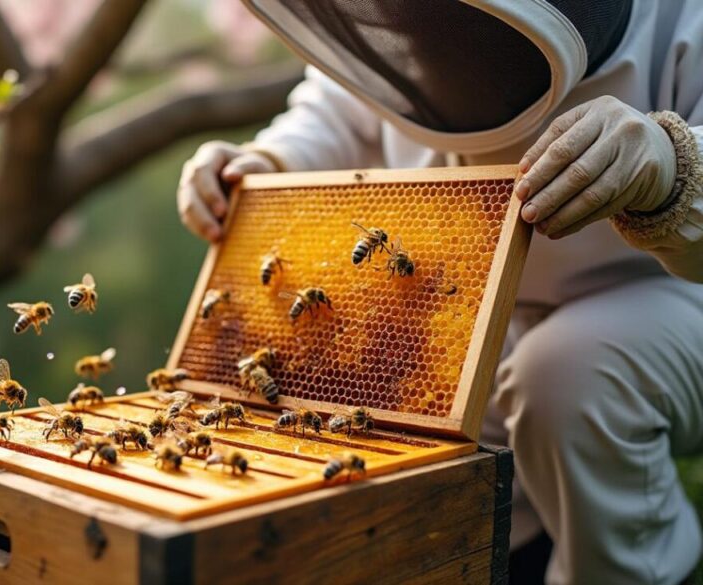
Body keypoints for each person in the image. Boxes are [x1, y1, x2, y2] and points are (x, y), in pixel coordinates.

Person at [176, 2, 703, 584]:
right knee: (391, 392)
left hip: (670, 295)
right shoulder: (400, 21)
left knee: (567, 374)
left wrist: (674, 164)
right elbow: (334, 112)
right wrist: (263, 163)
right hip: (473, 315)